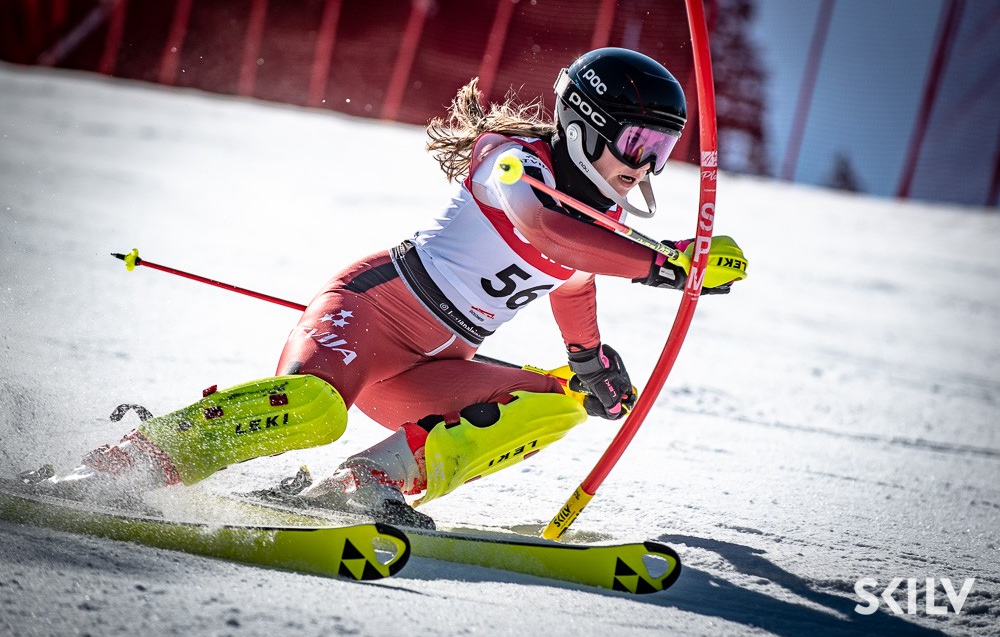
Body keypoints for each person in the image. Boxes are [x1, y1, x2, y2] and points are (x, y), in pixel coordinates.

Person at [33, 48, 747, 526]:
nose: (645, 166)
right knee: (313, 410)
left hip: (433, 366)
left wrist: (588, 360)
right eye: (637, 143)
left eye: (661, 150)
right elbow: (544, 230)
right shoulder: (511, 162)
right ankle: (124, 465)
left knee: (559, 403)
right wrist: (668, 264)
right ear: (586, 126)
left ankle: (363, 486)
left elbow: (573, 282)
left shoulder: (604, 219)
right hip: (368, 314)